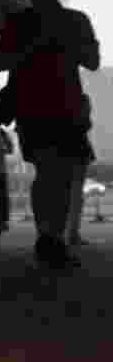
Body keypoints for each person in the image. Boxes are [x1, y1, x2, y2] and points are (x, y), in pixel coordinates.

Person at [0, 0, 100, 268]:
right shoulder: (35, 22)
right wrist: (38, 47)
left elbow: (90, 59)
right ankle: (50, 239)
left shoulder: (67, 22)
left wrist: (56, 45)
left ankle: (50, 238)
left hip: (54, 106)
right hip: (45, 106)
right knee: (54, 171)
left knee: (57, 174)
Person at [66, 93, 97, 250]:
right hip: (77, 155)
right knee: (75, 196)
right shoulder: (79, 121)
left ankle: (69, 233)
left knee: (72, 195)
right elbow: (86, 124)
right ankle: (72, 234)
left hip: (71, 155)